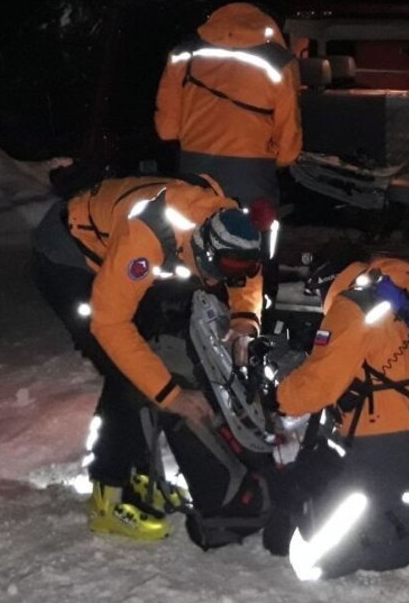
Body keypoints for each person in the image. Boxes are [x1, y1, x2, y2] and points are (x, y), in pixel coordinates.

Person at [31, 166, 266, 540]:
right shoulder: (148, 235)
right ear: (203, 248)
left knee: (151, 351)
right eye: (220, 273)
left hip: (118, 248)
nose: (225, 282)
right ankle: (109, 495)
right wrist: (171, 396)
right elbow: (109, 324)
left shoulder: (228, 221)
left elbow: (247, 273)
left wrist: (243, 319)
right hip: (69, 257)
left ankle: (144, 477)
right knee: (128, 375)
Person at [264, 241, 409, 582]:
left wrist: (278, 396)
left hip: (378, 447)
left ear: (329, 280)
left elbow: (318, 386)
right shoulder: (399, 297)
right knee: (344, 488)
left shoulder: (350, 308)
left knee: (310, 561)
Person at [154, 2, 302, 208]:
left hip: (195, 165)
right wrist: (281, 160)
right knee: (248, 233)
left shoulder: (184, 54)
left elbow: (167, 127)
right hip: (252, 172)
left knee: (194, 227)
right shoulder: (280, 62)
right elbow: (288, 131)